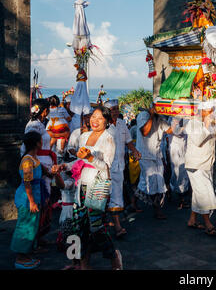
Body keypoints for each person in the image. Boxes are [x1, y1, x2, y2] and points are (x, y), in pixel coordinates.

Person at [67, 106, 122, 270]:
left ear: (106, 121)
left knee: (97, 228)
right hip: (80, 188)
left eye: (99, 118)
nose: (95, 121)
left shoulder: (108, 138)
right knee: (77, 227)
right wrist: (63, 166)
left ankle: (114, 257)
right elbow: (79, 162)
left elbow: (106, 167)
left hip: (97, 188)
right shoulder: (83, 136)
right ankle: (79, 263)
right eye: (93, 117)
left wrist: (90, 157)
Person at [11, 131, 55, 269]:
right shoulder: (27, 161)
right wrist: (31, 201)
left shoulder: (34, 158)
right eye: (41, 140)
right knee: (25, 226)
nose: (43, 142)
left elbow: (45, 171)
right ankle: (21, 257)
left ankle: (28, 251)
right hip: (27, 198)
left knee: (32, 225)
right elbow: (27, 183)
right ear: (37, 143)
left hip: (35, 195)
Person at [23, 98, 57, 251]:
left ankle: (39, 236)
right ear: (44, 111)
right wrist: (42, 167)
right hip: (39, 165)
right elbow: (29, 148)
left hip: (44, 162)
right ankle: (34, 239)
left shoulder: (37, 124)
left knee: (45, 201)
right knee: (41, 202)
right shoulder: (34, 126)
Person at [105, 99, 141, 237]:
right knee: (110, 195)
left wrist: (135, 151)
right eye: (112, 109)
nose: (115, 111)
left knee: (116, 194)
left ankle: (115, 223)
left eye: (116, 108)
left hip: (120, 165)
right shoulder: (104, 126)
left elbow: (128, 141)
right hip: (107, 166)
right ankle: (115, 224)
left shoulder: (121, 124)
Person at [185, 100, 216, 235]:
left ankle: (192, 219)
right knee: (205, 193)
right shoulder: (192, 123)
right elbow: (198, 140)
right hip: (195, 164)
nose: (211, 113)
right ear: (201, 112)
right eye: (209, 111)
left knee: (198, 193)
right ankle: (208, 223)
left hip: (207, 163)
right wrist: (207, 124)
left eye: (212, 110)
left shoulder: (211, 123)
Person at [135, 102, 172, 219]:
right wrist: (151, 115)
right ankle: (157, 209)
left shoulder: (159, 118)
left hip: (156, 155)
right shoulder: (143, 115)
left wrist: (178, 118)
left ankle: (133, 201)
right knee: (152, 182)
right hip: (145, 155)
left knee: (153, 182)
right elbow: (145, 131)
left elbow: (170, 130)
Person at [168, 117, 191, 210]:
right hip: (175, 149)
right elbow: (176, 132)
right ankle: (180, 198)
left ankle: (182, 196)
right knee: (178, 173)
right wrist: (183, 124)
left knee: (185, 173)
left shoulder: (187, 118)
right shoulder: (172, 118)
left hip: (185, 148)